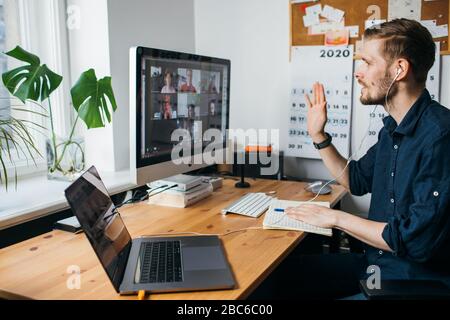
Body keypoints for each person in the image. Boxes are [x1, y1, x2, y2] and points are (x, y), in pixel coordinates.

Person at [251, 19, 450, 300]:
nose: (358, 73)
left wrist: (334, 218)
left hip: (411, 283)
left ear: (399, 70)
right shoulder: (391, 130)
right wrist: (319, 135)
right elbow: (354, 179)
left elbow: (414, 241)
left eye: (367, 63)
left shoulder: (441, 136)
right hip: (376, 267)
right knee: (271, 280)